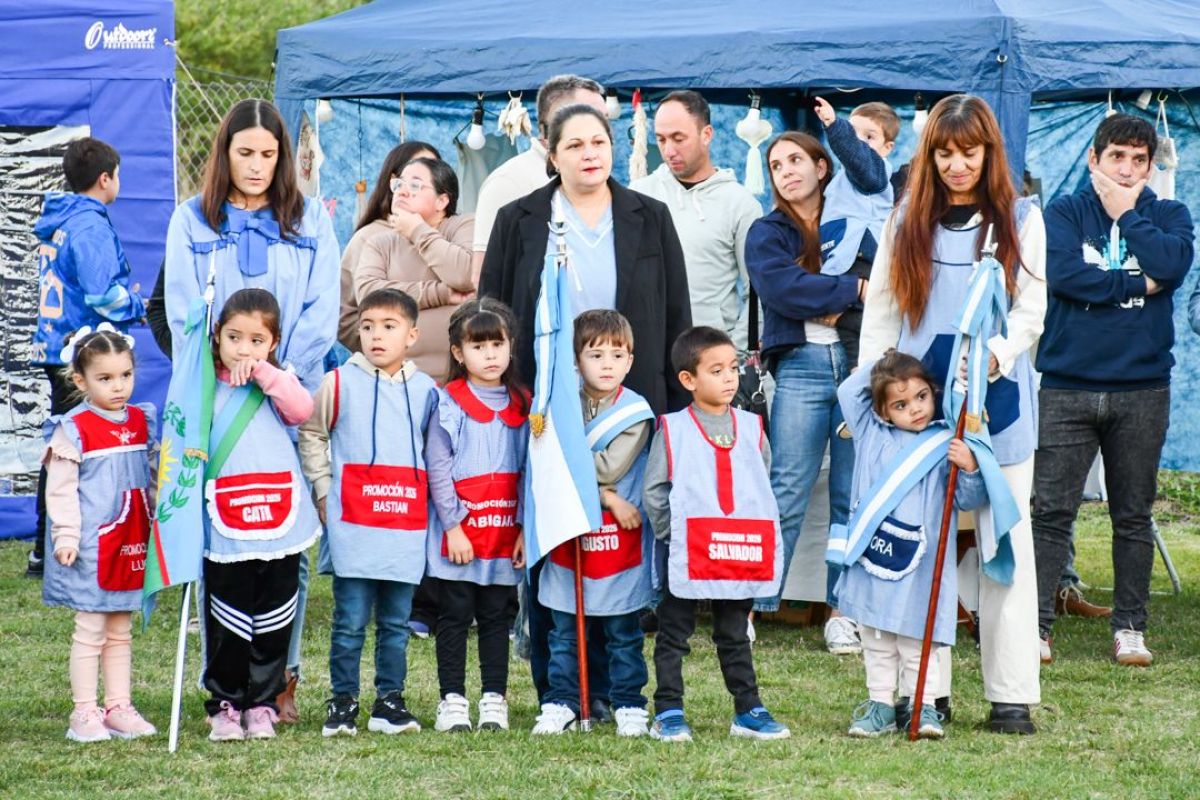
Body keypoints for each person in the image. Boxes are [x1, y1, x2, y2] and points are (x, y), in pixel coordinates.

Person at [480, 102, 691, 717]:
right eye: (574, 145)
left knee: (612, 547)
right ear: (551, 151)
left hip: (629, 404)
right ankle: (560, 689)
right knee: (559, 539)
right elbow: (493, 311)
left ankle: (611, 689)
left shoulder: (649, 216)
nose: (589, 153)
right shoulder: (520, 219)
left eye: (598, 141)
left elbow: (676, 312)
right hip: (546, 404)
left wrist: (673, 408)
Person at [859, 94, 1047, 735]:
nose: (957, 164)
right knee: (918, 552)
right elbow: (882, 313)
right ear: (929, 155)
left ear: (989, 151)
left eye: (969, 152)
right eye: (944, 153)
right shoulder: (905, 219)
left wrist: (989, 359)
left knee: (1003, 547)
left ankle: (1012, 692)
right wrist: (873, 397)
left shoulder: (1021, 217)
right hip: (914, 411)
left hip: (995, 410)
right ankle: (925, 692)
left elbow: (1031, 313)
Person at [164, 98, 339, 724]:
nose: (258, 165)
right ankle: (228, 686)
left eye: (269, 154)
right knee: (227, 537)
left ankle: (278, 680)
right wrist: (225, 363)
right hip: (218, 395)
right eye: (246, 153)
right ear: (225, 153)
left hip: (286, 392)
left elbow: (323, 305)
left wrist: (275, 369)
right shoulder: (192, 219)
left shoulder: (311, 217)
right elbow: (185, 303)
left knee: (281, 538)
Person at [1035, 113, 1194, 667]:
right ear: (1093, 160)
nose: (1126, 169)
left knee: (1133, 514)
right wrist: (1136, 284)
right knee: (1052, 511)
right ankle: (1034, 628)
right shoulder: (1062, 213)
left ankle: (1130, 627)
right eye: (1116, 157)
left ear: (1151, 168)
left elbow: (1171, 263)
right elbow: (1063, 277)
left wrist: (1129, 216)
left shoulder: (1167, 214)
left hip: (1142, 389)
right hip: (1067, 386)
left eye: (1137, 160)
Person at [744, 132, 868, 654]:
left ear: (822, 166)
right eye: (776, 165)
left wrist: (846, 296)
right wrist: (850, 292)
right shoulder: (766, 232)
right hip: (799, 367)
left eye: (796, 160)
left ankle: (843, 612)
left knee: (850, 493)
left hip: (861, 368)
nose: (786, 171)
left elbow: (882, 284)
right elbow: (781, 291)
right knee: (787, 488)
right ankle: (753, 603)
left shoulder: (858, 222)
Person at [299, 288, 438, 737]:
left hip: (404, 527)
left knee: (396, 623)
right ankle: (342, 702)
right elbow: (313, 434)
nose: (376, 336)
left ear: (412, 335)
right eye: (367, 326)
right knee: (350, 621)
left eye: (389, 326)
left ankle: (389, 702)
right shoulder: (338, 382)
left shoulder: (426, 391)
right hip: (353, 525)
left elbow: (435, 455)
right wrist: (323, 488)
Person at [830, 351, 988, 739]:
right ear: (883, 411)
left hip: (923, 565)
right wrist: (888, 357)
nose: (914, 409)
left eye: (920, 396)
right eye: (900, 404)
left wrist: (969, 466)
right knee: (877, 638)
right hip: (875, 558)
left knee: (919, 640)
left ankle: (922, 704)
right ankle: (880, 703)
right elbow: (850, 390)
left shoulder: (945, 441)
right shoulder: (870, 432)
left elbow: (968, 499)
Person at [643, 326, 790, 743]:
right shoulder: (672, 428)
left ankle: (749, 709)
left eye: (733, 369)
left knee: (734, 633)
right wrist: (675, 536)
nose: (729, 378)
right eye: (717, 370)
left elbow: (759, 481)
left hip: (736, 550)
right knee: (673, 633)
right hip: (688, 551)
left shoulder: (751, 426)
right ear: (688, 380)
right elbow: (655, 489)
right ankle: (669, 710)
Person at [202, 289, 320, 742]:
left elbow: (301, 409)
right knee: (228, 614)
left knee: (275, 615)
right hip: (225, 517)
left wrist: (267, 375)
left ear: (273, 342)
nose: (244, 349)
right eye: (234, 337)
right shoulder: (204, 385)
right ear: (218, 336)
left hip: (279, 516)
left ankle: (263, 702)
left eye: (256, 340)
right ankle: (225, 703)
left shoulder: (276, 384)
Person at [28, 137, 147, 578]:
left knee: (63, 445)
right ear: (105, 178)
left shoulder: (62, 219)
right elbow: (102, 293)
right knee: (74, 451)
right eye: (118, 175)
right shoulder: (90, 224)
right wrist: (138, 307)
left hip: (55, 343)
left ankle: (47, 545)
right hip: (80, 352)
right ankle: (51, 547)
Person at [535, 310, 655, 737]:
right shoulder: (560, 404)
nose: (606, 363)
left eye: (616, 354)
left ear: (629, 360)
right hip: (572, 536)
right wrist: (604, 496)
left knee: (623, 633)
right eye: (595, 354)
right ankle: (562, 701)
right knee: (565, 633)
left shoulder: (634, 412)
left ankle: (628, 703)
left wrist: (569, 463)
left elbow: (605, 466)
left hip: (617, 542)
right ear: (576, 360)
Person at [42, 328, 156, 742]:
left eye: (125, 375)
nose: (118, 386)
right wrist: (67, 536)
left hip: (130, 541)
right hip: (91, 545)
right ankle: (84, 712)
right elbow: (61, 489)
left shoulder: (143, 420)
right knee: (90, 629)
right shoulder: (74, 429)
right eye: (105, 378)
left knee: (120, 628)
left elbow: (152, 478)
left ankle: (119, 706)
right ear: (80, 381)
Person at [420, 298, 528, 733]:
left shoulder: (524, 403)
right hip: (462, 534)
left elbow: (529, 470)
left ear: (510, 348)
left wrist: (523, 527)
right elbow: (438, 467)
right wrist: (453, 527)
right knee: (455, 614)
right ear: (458, 352)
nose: (489, 355)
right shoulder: (448, 402)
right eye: (478, 346)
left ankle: (493, 699)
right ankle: (452, 699)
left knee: (496, 617)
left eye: (497, 345)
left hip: (505, 532)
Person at [630, 90, 763, 349]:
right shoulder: (638, 195)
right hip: (649, 354)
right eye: (661, 139)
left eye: (679, 138)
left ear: (707, 134)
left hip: (711, 360)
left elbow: (757, 295)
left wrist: (731, 356)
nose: (669, 150)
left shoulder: (741, 204)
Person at [351, 157, 474, 382]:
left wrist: (418, 230)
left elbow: (465, 274)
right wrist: (441, 293)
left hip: (459, 381)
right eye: (398, 185)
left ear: (442, 201)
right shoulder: (380, 243)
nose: (402, 192)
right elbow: (369, 295)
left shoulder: (462, 227)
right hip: (396, 381)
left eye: (415, 185)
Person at [471, 75, 607, 277]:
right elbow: (484, 277)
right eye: (590, 117)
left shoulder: (599, 180)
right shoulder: (510, 182)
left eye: (604, 119)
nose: (602, 127)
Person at [812, 97, 900, 365]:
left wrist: (835, 126)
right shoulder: (843, 178)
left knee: (860, 328)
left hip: (863, 259)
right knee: (849, 328)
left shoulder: (874, 172)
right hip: (844, 259)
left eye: (869, 136)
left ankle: (864, 374)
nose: (859, 142)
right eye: (854, 132)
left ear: (887, 148)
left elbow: (857, 156)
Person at [337, 141, 441, 352]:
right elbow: (344, 314)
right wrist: (384, 350)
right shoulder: (369, 238)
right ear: (394, 182)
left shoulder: (447, 237)